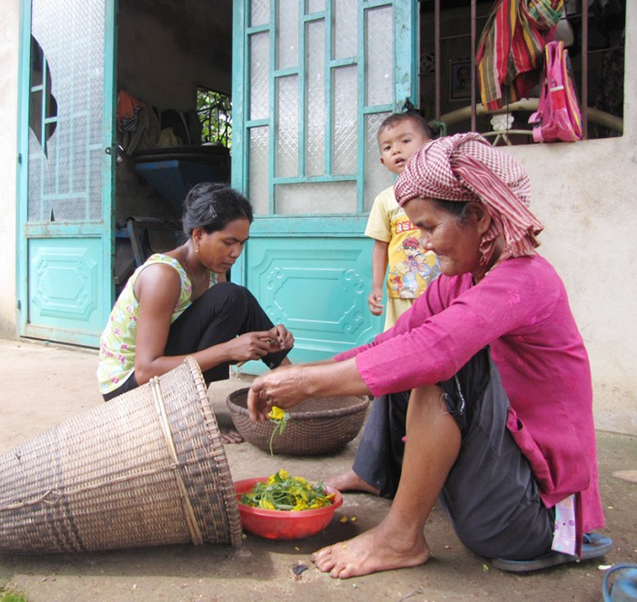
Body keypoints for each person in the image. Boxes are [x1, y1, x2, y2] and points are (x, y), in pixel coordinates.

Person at [247, 133, 608, 578]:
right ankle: (379, 477)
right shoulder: (459, 281)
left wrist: (308, 386)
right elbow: (390, 343)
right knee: (405, 351)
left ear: (476, 215)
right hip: (500, 488)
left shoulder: (527, 280)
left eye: (429, 227)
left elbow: (434, 352)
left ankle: (400, 538)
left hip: (537, 519)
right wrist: (297, 372)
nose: (420, 243)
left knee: (442, 362)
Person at [98, 182, 294, 402]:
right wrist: (229, 350)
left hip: (157, 377)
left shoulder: (212, 270)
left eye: (241, 244)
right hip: (128, 389)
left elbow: (211, 337)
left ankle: (290, 380)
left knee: (236, 297)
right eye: (228, 242)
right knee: (231, 295)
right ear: (199, 235)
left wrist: (267, 340)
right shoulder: (163, 276)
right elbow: (146, 371)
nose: (236, 253)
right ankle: (190, 412)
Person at [365, 111, 440, 330]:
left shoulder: (443, 190)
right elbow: (381, 247)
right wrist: (376, 286)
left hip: (442, 288)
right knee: (400, 344)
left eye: (405, 141)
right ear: (382, 161)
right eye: (388, 148)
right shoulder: (385, 200)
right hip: (402, 292)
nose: (396, 150)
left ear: (428, 145)